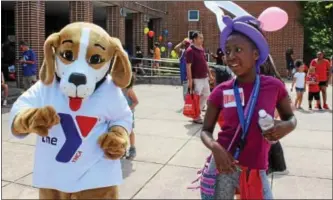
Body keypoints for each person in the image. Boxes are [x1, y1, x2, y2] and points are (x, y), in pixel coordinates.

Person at [199, 16, 296, 199]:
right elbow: (205, 130)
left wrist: (286, 126)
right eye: (227, 51)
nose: (231, 56)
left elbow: (291, 118)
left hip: (255, 166)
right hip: (224, 163)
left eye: (238, 50)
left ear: (255, 54)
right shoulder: (220, 91)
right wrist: (215, 148)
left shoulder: (273, 86)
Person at [260, 54, 289, 175]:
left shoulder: (270, 81)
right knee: (270, 139)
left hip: (265, 114)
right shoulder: (274, 79)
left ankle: (274, 167)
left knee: (268, 139)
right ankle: (278, 166)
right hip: (266, 114)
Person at [186, 31, 214, 124]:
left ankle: (197, 113)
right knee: (196, 97)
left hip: (204, 77)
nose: (202, 39)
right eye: (200, 38)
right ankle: (196, 116)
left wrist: (209, 74)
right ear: (194, 39)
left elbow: (205, 62)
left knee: (206, 94)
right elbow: (188, 66)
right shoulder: (190, 50)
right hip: (196, 78)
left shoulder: (201, 48)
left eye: (202, 37)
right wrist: (190, 81)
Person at [122, 75, 139, 160]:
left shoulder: (129, 90)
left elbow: (136, 101)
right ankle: (122, 149)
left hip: (128, 115)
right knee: (121, 131)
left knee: (130, 131)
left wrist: (129, 109)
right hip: (119, 114)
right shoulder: (118, 90)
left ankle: (132, 148)